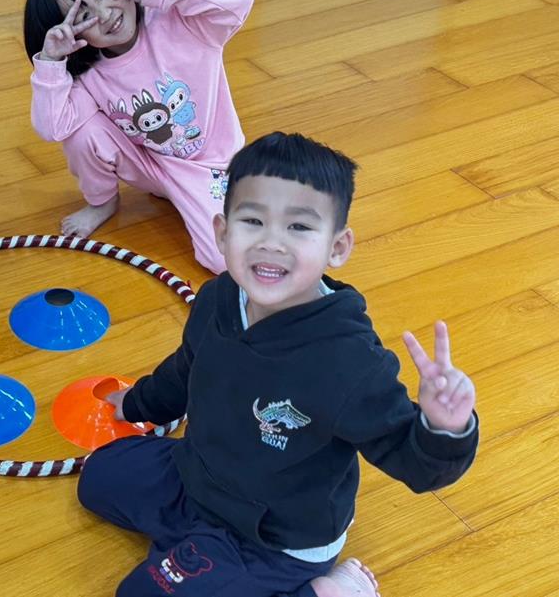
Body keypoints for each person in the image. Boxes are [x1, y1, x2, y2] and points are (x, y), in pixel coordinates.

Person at [77, 132, 479, 596]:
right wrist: (138, 402)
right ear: (222, 232)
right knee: (98, 479)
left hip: (272, 538)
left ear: (337, 248)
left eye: (299, 227)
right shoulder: (219, 298)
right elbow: (187, 368)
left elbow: (415, 463)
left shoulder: (350, 362)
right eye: (253, 221)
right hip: (197, 477)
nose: (272, 243)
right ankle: (195, 555)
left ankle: (329, 590)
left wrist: (444, 429)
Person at [23, 0, 253, 274]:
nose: (105, 14)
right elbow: (53, 127)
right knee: (81, 132)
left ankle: (189, 198)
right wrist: (51, 62)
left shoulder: (186, 24)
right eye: (84, 15)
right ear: (73, 32)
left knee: (223, 259)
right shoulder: (90, 74)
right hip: (151, 166)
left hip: (211, 167)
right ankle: (103, 202)